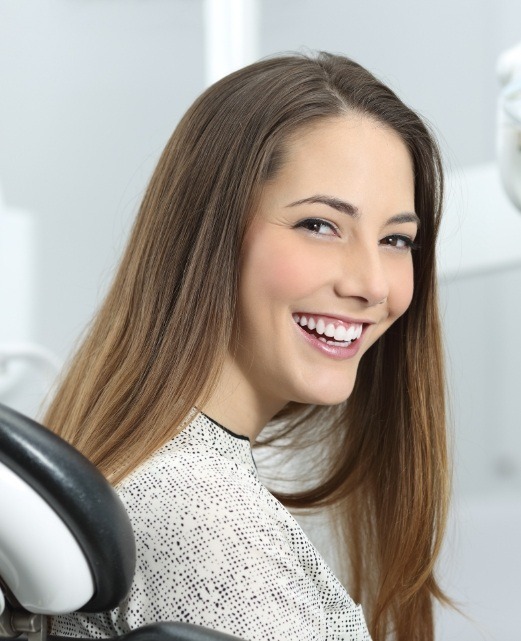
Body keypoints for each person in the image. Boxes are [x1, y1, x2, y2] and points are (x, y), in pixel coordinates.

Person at [47, 52, 450, 641]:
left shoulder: (161, 479)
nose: (370, 284)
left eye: (395, 239)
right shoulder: (204, 516)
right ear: (210, 234)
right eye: (319, 225)